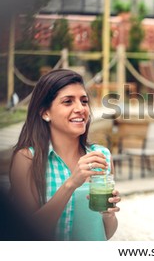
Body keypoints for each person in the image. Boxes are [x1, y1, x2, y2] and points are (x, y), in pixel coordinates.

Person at [9, 69, 121, 241]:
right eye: (68, 102)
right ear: (45, 112)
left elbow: (106, 233)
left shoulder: (102, 156)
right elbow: (26, 233)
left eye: (84, 101)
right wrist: (70, 184)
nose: (80, 109)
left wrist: (108, 215)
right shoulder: (26, 159)